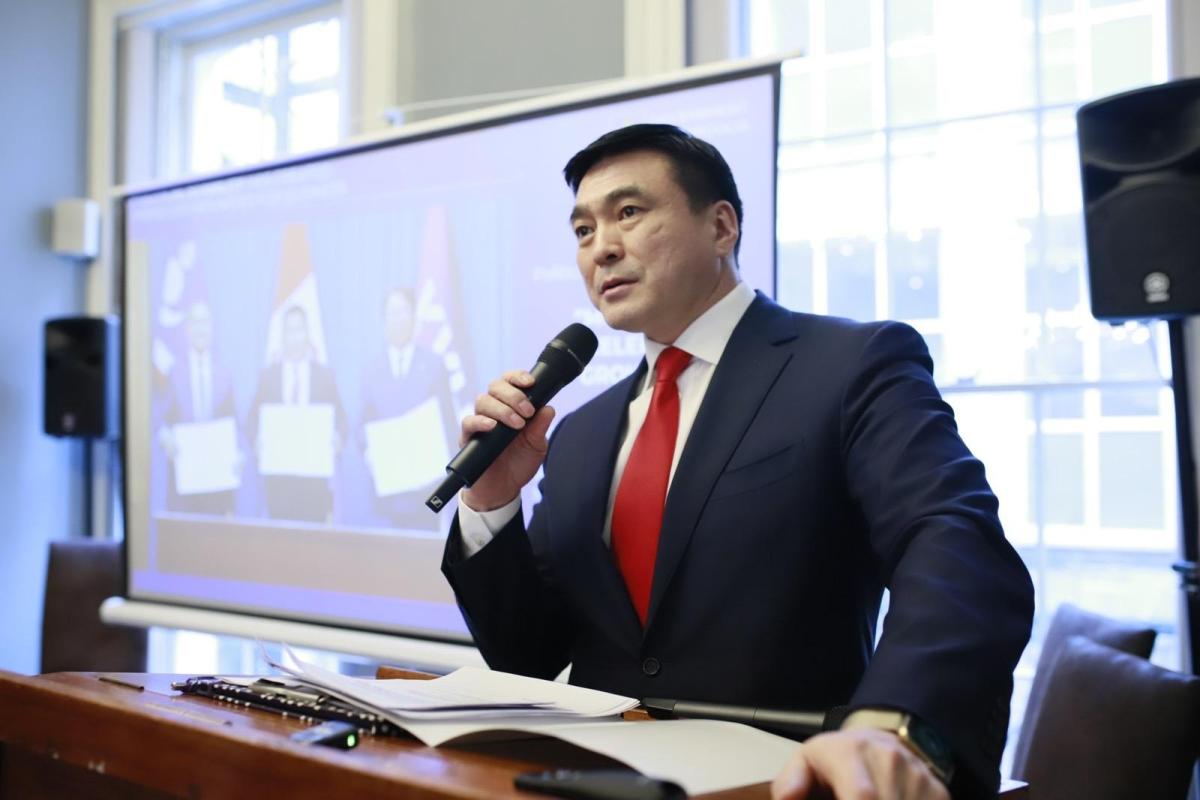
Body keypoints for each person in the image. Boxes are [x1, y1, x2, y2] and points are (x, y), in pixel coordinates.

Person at [441, 124, 1033, 800]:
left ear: (721, 227)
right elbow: (528, 653)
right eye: (582, 230)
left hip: (789, 782)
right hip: (592, 783)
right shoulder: (579, 433)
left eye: (628, 212)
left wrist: (893, 726)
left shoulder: (849, 367)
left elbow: (956, 546)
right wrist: (491, 501)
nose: (601, 246)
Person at [359, 287, 457, 530]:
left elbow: (448, 425)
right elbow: (362, 426)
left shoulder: (434, 366)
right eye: (392, 313)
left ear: (414, 317)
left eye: (403, 311)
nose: (398, 319)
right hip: (388, 492)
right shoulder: (371, 371)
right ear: (383, 320)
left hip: (426, 488)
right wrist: (370, 450)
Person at [248, 304, 347, 523]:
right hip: (279, 485)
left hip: (315, 487)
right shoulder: (268, 376)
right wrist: (256, 440)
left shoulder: (324, 376)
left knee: (313, 540)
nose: (294, 336)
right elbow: (251, 421)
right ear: (282, 335)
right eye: (289, 330)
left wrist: (338, 438)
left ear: (307, 334)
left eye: (299, 329)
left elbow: (341, 420)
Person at [159, 301, 241, 515]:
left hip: (218, 487)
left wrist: (238, 454)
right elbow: (162, 421)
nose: (200, 329)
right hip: (184, 485)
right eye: (195, 323)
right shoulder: (174, 374)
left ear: (212, 329)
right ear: (187, 330)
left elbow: (234, 425)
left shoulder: (224, 375)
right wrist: (165, 436)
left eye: (205, 322)